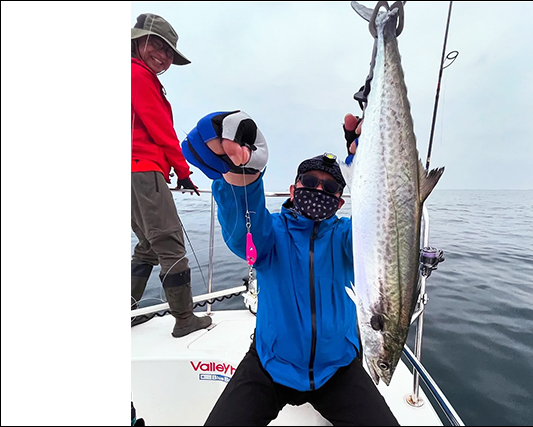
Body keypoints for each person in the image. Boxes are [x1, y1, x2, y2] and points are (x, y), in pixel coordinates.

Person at [180, 111, 399, 426]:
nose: (319, 190)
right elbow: (244, 234)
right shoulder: (271, 233)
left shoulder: (347, 237)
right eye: (310, 183)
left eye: (330, 188)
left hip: (338, 368)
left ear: (340, 203)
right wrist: (243, 172)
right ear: (294, 190)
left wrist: (374, 166)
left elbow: (384, 234)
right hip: (270, 365)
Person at [130, 13, 211, 337]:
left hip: (132, 172)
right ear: (138, 40)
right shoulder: (138, 75)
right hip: (142, 169)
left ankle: (128, 308)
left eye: (169, 54)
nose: (163, 58)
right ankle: (185, 319)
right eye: (158, 47)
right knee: (169, 244)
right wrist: (183, 170)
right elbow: (161, 131)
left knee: (148, 246)